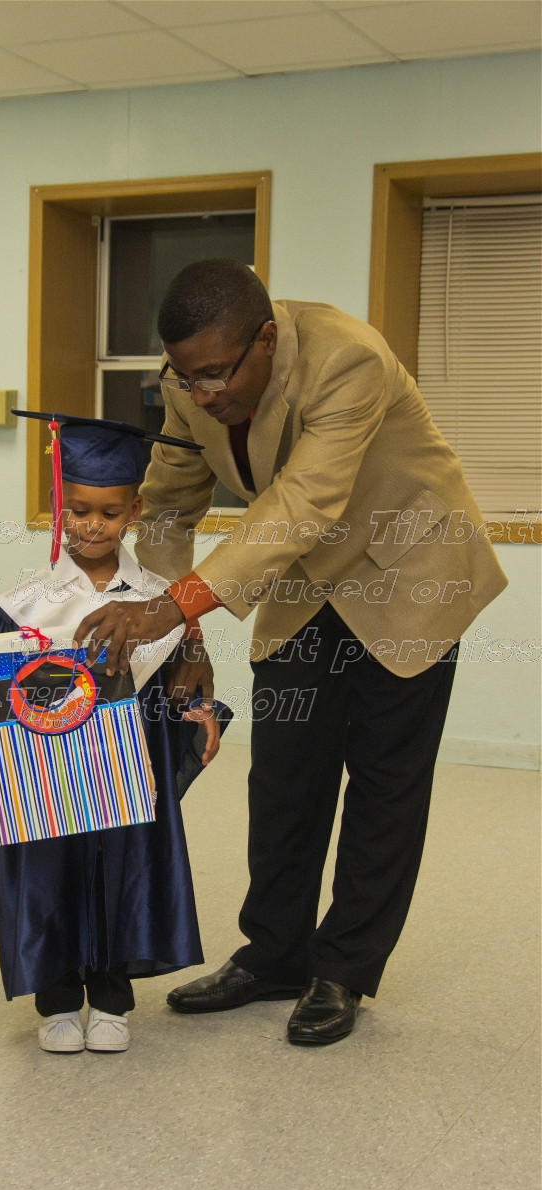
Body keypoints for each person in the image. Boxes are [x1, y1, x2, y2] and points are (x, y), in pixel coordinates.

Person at [72, 258, 508, 1046]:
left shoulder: (348, 358)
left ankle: (343, 968)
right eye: (185, 376)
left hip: (412, 565)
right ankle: (273, 955)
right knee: (283, 773)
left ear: (266, 340)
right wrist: (185, 638)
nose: (202, 394)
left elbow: (304, 502)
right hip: (307, 574)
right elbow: (167, 510)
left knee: (384, 780)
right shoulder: (188, 384)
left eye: (215, 374)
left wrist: (169, 605)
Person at [0, 414, 226, 1054]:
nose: (93, 525)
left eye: (110, 513)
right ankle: (58, 1000)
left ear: (135, 512)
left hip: (123, 773)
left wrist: (195, 711)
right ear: (59, 506)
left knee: (123, 869)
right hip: (42, 776)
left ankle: (113, 999)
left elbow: (178, 685)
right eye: (80, 510)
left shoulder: (158, 601)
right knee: (49, 875)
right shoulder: (22, 603)